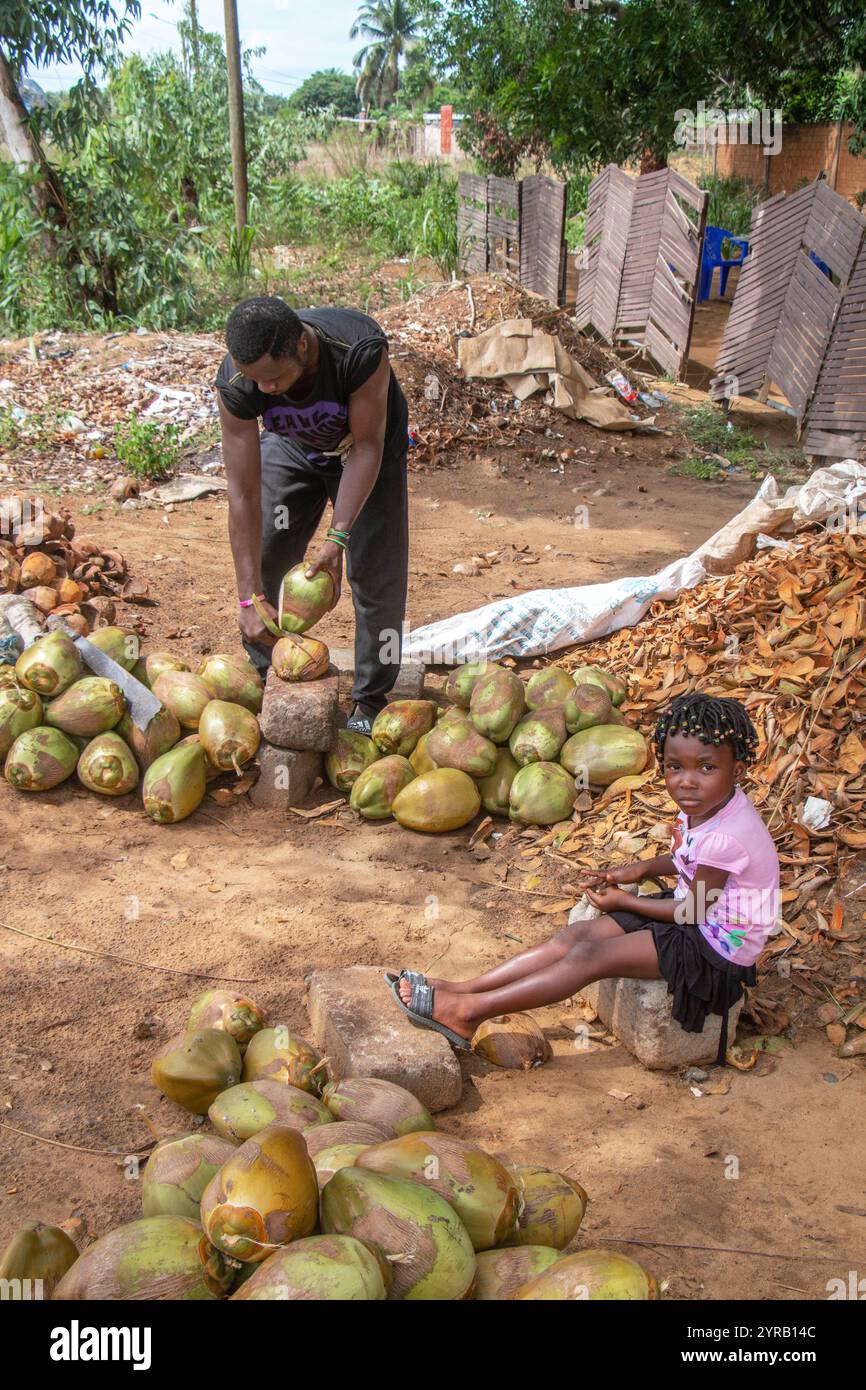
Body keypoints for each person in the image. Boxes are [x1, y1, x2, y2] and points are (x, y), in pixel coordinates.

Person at [391, 693, 780, 1063]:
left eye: (707, 767)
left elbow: (692, 911)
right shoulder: (706, 804)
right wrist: (638, 870)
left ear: (738, 769)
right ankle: (462, 989)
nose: (687, 781)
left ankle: (468, 1012)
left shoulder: (730, 835)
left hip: (713, 947)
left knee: (590, 957)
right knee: (575, 937)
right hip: (693, 914)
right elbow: (688, 858)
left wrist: (624, 900)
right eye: (675, 767)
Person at [215, 296, 409, 735]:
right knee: (268, 545)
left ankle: (371, 700)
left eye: (275, 379)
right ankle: (273, 669)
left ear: (302, 346)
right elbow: (242, 492)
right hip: (293, 447)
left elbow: (366, 448)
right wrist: (247, 597)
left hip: (364, 451)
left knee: (377, 576)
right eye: (254, 380)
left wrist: (337, 539)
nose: (264, 390)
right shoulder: (237, 383)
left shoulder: (357, 350)